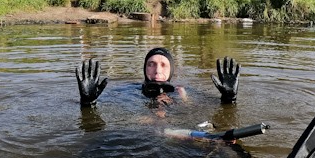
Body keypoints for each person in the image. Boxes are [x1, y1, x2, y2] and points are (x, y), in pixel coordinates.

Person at [75, 47, 240, 110]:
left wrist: (228, 99)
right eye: (151, 64)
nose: (157, 70)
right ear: (145, 68)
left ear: (171, 71)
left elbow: (202, 111)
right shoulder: (128, 92)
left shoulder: (182, 92)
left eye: (163, 65)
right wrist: (88, 103)